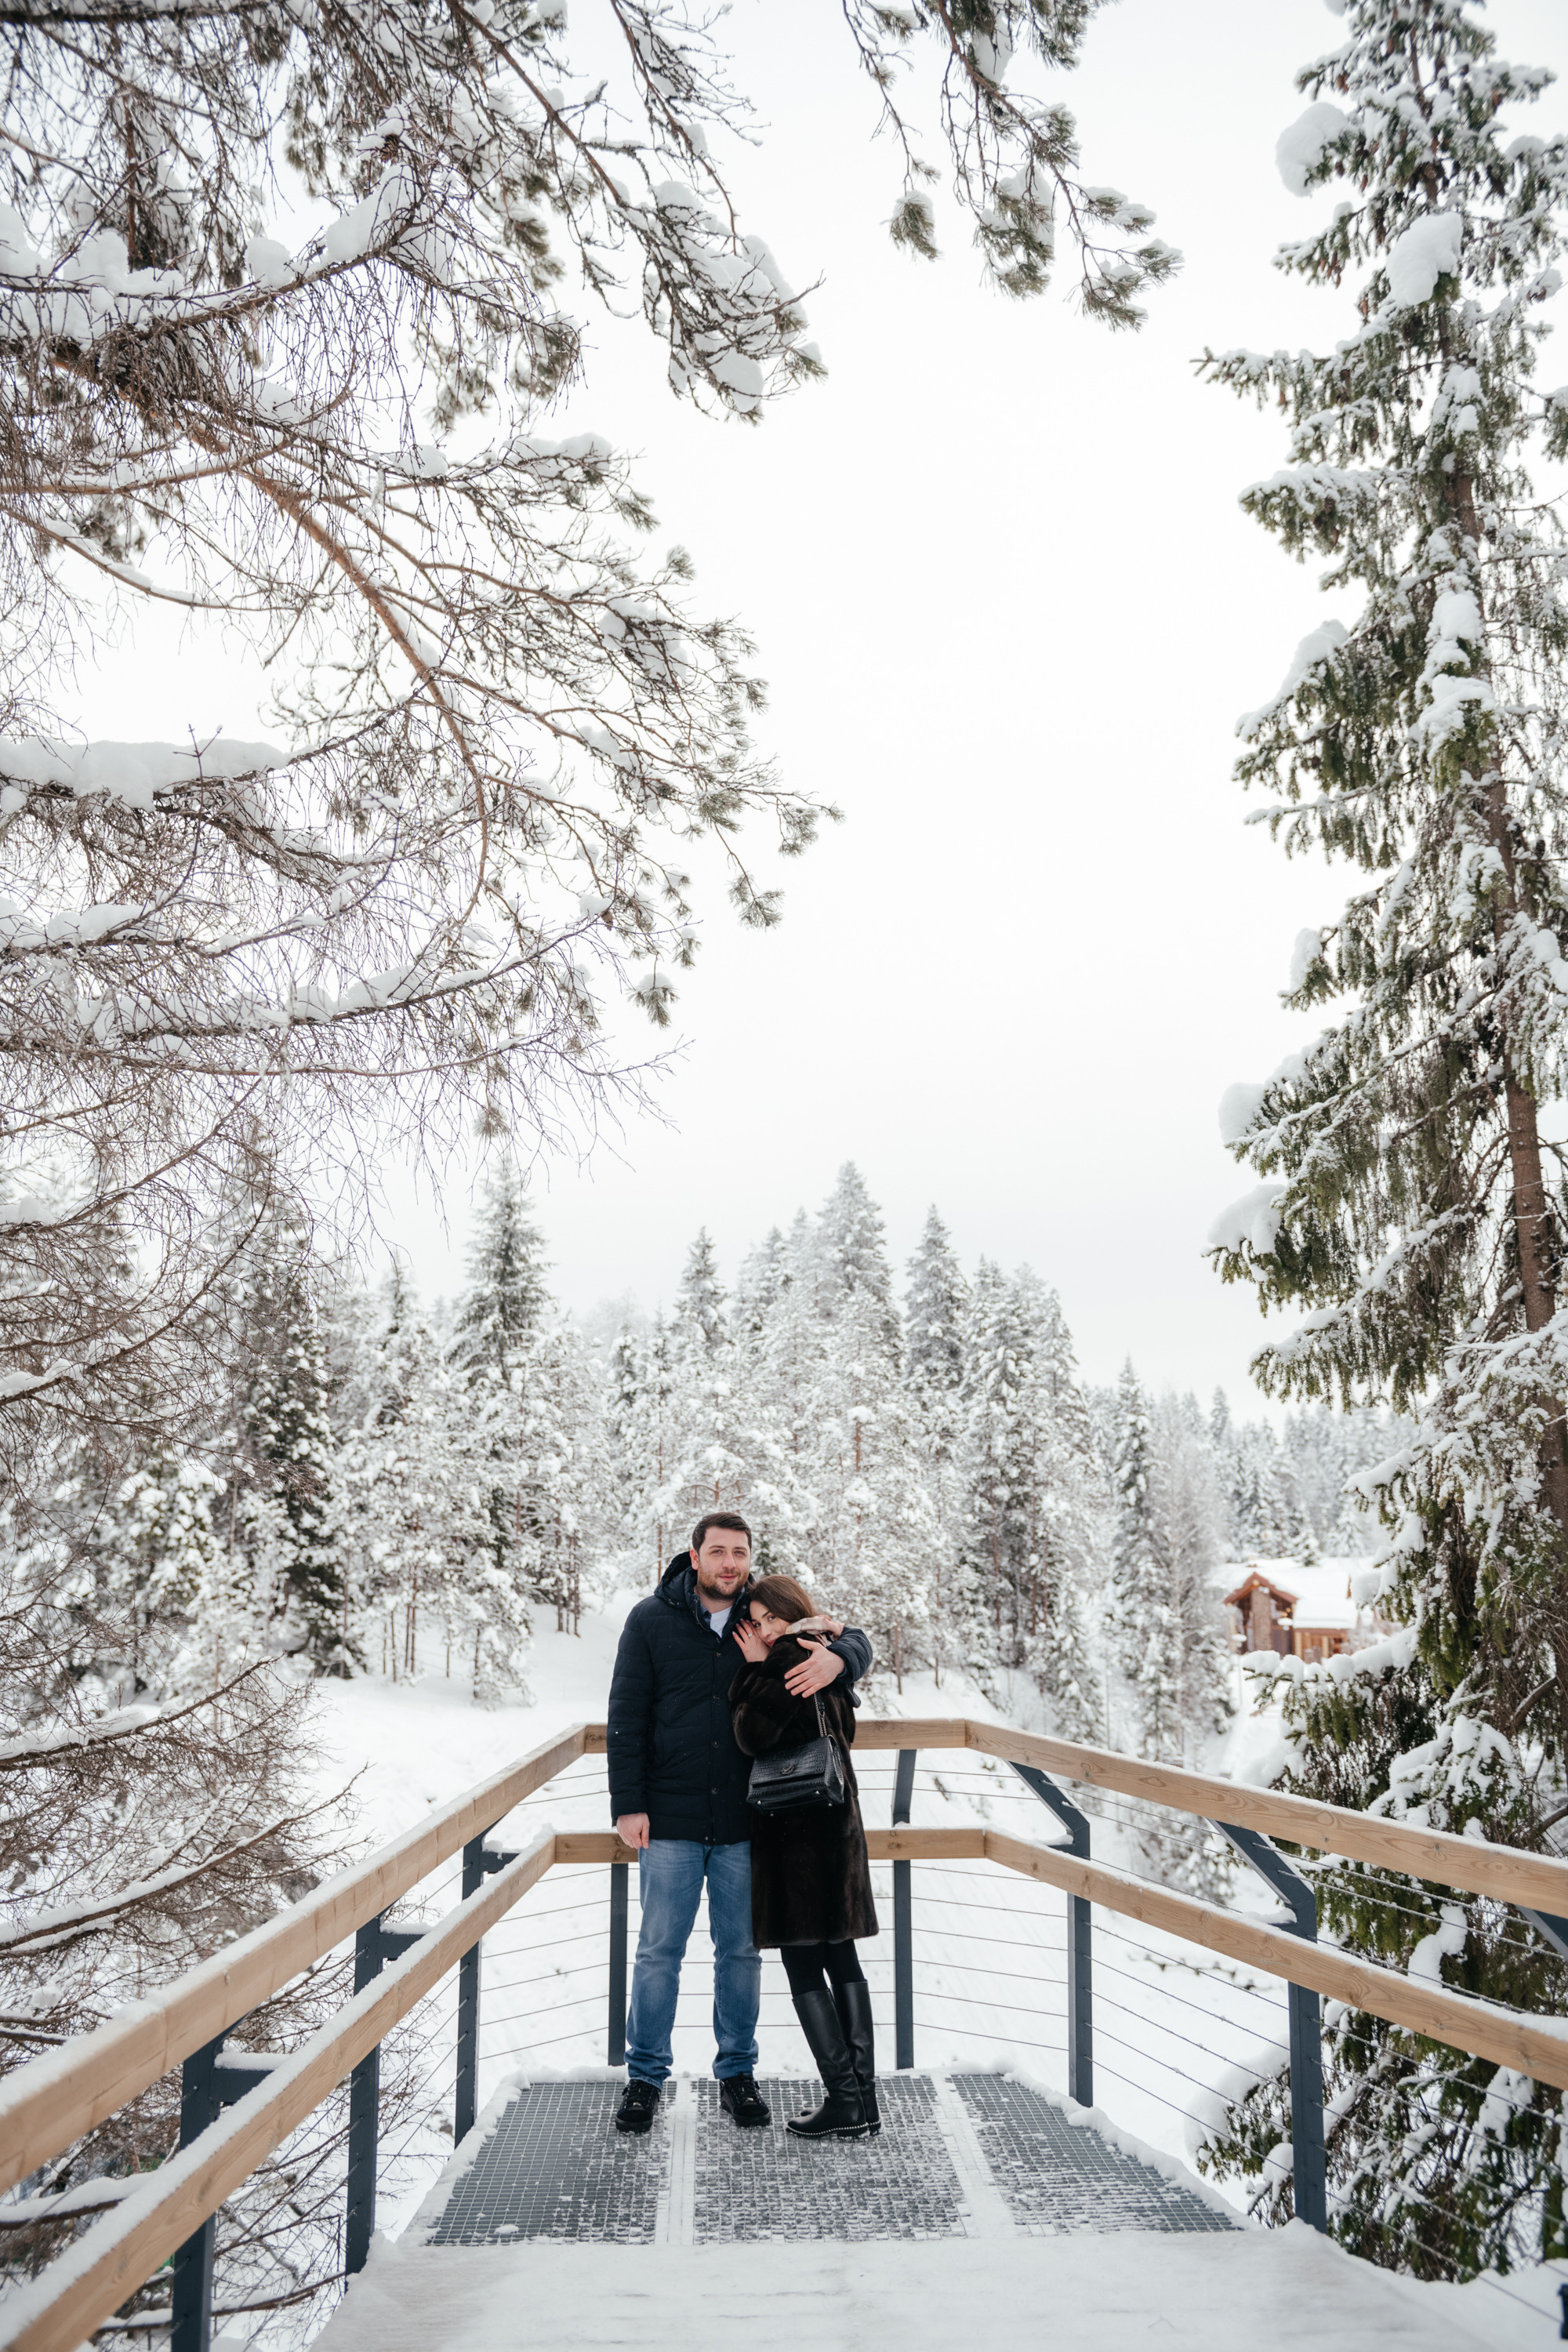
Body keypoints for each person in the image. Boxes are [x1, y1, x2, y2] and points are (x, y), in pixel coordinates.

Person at [605, 1512, 873, 2135]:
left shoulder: (761, 1618)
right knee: (657, 1954)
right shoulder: (651, 1620)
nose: (730, 1563)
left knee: (741, 1955)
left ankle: (738, 2075)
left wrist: (843, 1660)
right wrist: (628, 1802)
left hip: (745, 1822)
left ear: (750, 1560)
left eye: (740, 1553)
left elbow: (843, 1631)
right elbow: (626, 1712)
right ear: (694, 1556)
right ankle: (645, 2078)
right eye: (718, 1552)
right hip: (668, 1818)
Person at [730, 1573, 880, 2141]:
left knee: (801, 1961)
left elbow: (750, 1733)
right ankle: (862, 2099)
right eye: (758, 1619)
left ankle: (845, 2099)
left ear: (791, 1616)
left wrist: (752, 1667)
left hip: (798, 1835)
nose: (763, 1629)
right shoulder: (825, 1656)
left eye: (771, 1618)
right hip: (834, 1826)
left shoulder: (789, 1658)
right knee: (840, 1958)